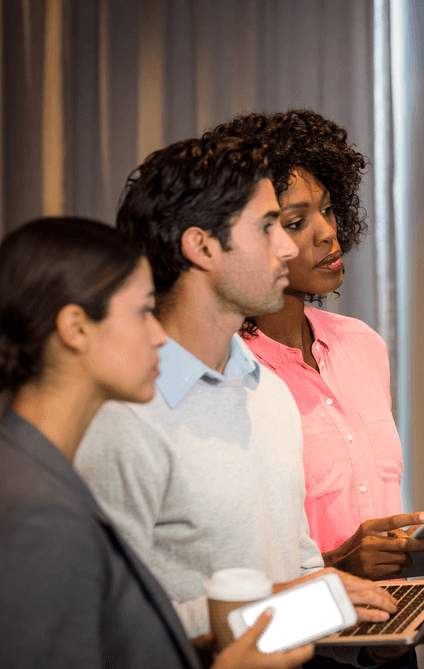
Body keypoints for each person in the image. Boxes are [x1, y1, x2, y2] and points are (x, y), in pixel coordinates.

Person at [72, 135, 424, 668]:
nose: (290, 248)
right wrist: (293, 605)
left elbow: (294, 585)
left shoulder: (268, 393)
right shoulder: (125, 413)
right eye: (270, 227)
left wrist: (373, 620)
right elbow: (104, 623)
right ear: (201, 247)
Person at [0, 216, 313, 669]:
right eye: (143, 311)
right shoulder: (36, 508)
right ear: (76, 328)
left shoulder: (35, 469)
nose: (157, 335)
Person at [206, 110, 424, 666]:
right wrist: (339, 563)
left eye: (326, 209)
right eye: (296, 222)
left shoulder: (362, 345)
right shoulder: (232, 374)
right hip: (296, 644)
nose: (327, 232)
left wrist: (417, 569)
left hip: (388, 637)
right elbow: (237, 583)